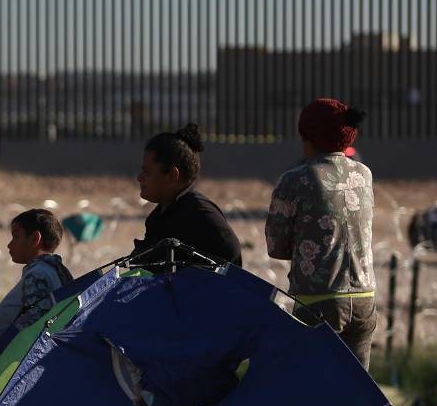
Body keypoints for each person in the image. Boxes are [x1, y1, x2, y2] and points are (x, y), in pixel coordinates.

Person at [265, 99, 375, 367]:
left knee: (314, 391)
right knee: (358, 396)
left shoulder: (296, 179)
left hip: (319, 300)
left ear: (307, 136)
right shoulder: (364, 173)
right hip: (365, 298)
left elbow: (275, 246)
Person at [133, 123, 242, 266]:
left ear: (172, 175)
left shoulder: (202, 217)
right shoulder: (161, 214)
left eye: (147, 171)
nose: (139, 178)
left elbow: (232, 258)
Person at [0, 208, 74, 342]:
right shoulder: (54, 271)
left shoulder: (38, 275)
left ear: (34, 239)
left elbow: (34, 325)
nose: (9, 244)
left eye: (16, 236)